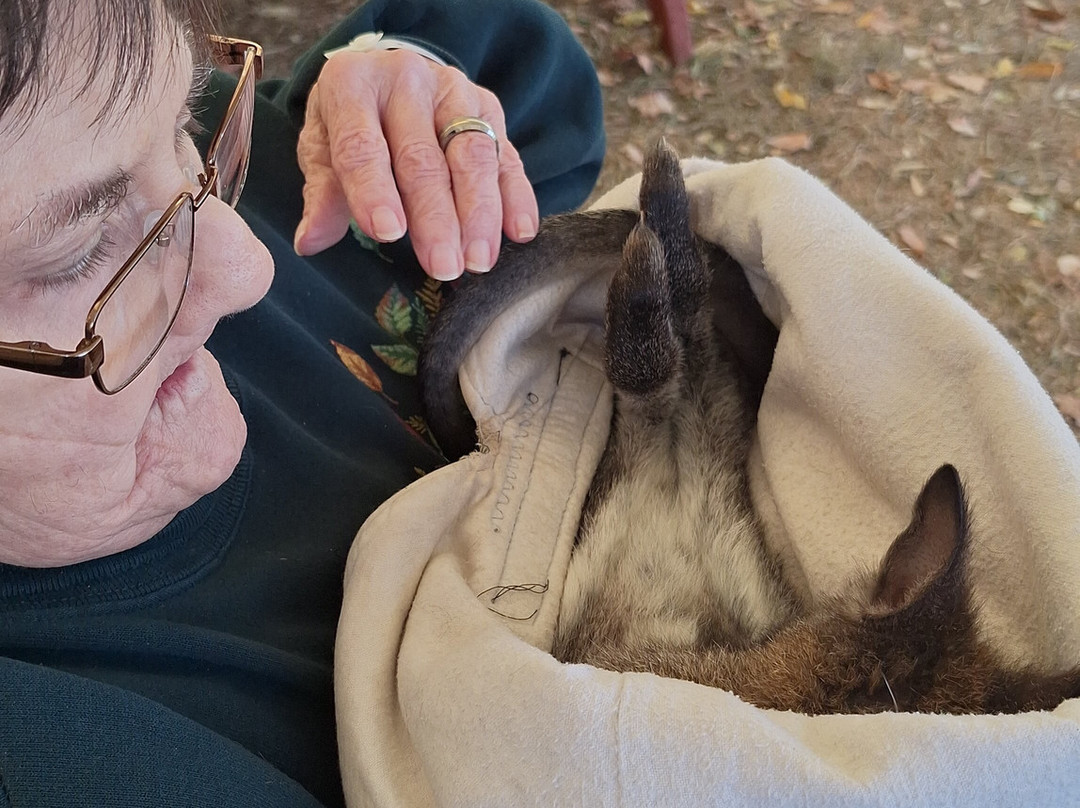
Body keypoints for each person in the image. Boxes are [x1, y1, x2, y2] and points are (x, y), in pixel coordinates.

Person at [0, 0, 604, 804]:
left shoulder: (158, 173)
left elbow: (545, 111)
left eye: (184, 118)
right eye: (77, 255)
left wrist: (404, 86)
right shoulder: (88, 756)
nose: (248, 266)